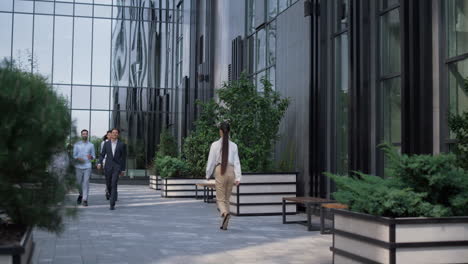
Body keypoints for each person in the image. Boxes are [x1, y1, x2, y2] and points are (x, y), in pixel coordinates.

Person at [206, 122, 241, 230]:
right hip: (231, 172)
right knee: (226, 199)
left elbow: (211, 161)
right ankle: (224, 224)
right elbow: (237, 162)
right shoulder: (234, 145)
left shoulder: (215, 145)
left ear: (220, 131)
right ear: (229, 132)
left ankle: (225, 213)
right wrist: (238, 177)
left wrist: (208, 174)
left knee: (220, 199)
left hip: (220, 170)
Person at [97, 128, 127, 210]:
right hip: (108, 167)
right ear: (111, 134)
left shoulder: (122, 145)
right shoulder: (106, 144)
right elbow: (102, 155)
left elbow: (123, 158)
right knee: (108, 184)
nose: (114, 134)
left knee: (114, 184)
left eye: (116, 133)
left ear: (118, 134)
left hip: (117, 167)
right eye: (113, 132)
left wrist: (123, 169)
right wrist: (99, 162)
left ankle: (112, 203)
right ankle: (111, 194)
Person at [73, 129, 95, 207]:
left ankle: (85, 199)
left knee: (86, 183)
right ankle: (81, 194)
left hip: (87, 166)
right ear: (81, 135)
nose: (85, 135)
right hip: (78, 167)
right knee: (78, 184)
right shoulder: (76, 144)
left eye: (86, 134)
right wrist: (78, 158)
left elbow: (94, 157)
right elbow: (74, 156)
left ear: (87, 135)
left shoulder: (91, 145)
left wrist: (91, 157)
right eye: (83, 134)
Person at [101, 130, 112, 200]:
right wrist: (100, 162)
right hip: (106, 161)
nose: (110, 136)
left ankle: (111, 191)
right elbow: (102, 153)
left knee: (112, 178)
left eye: (111, 134)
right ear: (107, 135)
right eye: (109, 135)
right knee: (108, 177)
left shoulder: (116, 142)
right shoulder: (104, 143)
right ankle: (108, 190)